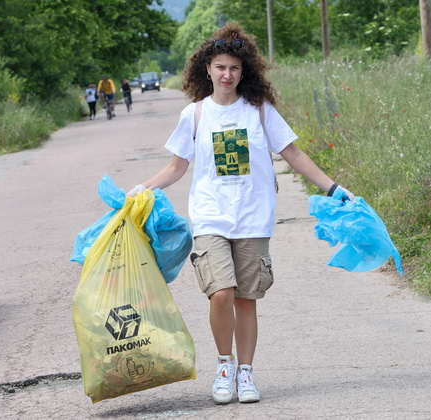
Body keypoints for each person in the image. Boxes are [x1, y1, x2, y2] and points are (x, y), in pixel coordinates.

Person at [125, 22, 355, 405]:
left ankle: (246, 373)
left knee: (246, 299)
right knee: (221, 293)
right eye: (220, 67)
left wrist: (333, 187)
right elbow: (177, 167)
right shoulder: (195, 115)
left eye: (234, 67)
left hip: (253, 217)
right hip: (210, 216)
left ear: (243, 71)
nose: (227, 74)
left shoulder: (260, 111)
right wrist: (142, 189)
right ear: (207, 70)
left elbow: (293, 154)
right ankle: (224, 365)